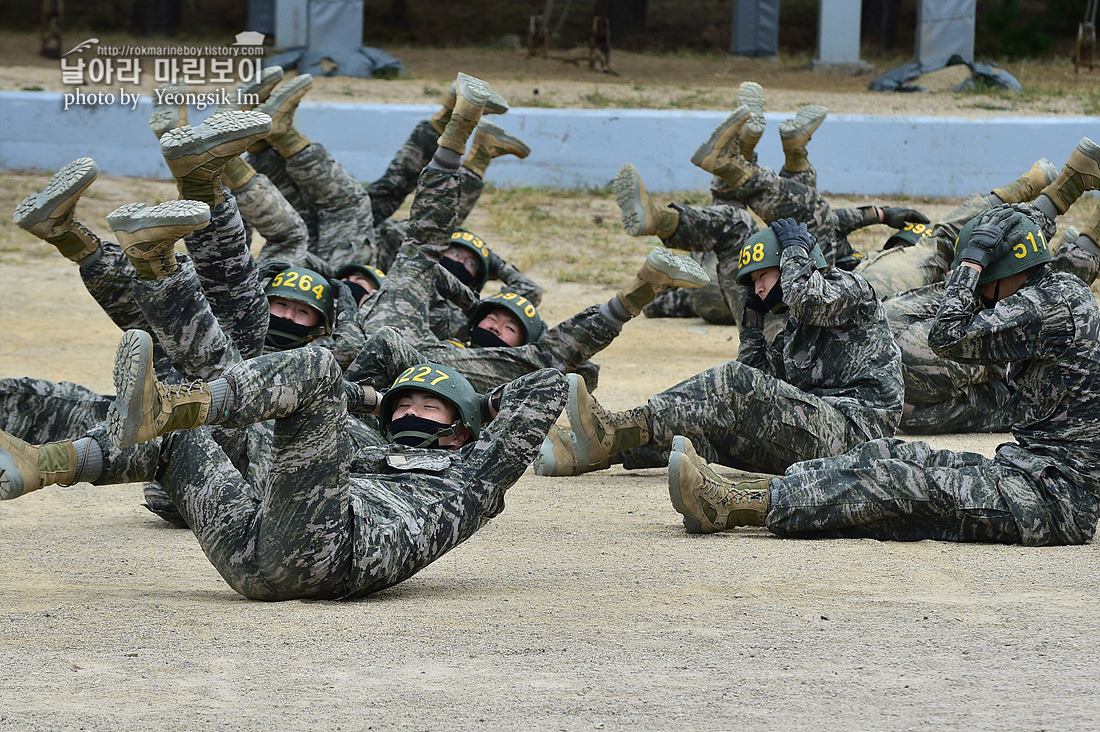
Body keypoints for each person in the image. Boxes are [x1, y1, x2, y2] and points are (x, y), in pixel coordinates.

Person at [0, 328, 569, 600]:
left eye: (431, 407)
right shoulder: (367, 445)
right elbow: (376, 355)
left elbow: (548, 386)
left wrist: (482, 404)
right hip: (253, 559)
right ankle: (44, 463)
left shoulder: (476, 473)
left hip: (333, 555)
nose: (414, 411)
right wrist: (374, 398)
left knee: (318, 367)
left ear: (462, 428)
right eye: (407, 404)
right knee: (179, 443)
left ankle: (173, 403)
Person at [666, 206, 1100, 546]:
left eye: (985, 283)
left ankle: (737, 507)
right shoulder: (1051, 297)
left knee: (898, 483)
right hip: (1029, 477)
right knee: (888, 453)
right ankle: (745, 491)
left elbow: (946, 336)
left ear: (1002, 271)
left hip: (1054, 501)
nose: (981, 297)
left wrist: (969, 265)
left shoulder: (1049, 306)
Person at [534, 217, 904, 477]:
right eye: (753, 282)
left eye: (762, 277)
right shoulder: (795, 330)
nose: (758, 288)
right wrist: (753, 326)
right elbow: (760, 383)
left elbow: (803, 302)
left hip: (858, 437)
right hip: (820, 435)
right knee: (706, 421)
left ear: (792, 263)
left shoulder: (851, 288)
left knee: (730, 382)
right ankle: (595, 451)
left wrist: (794, 250)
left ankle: (614, 429)